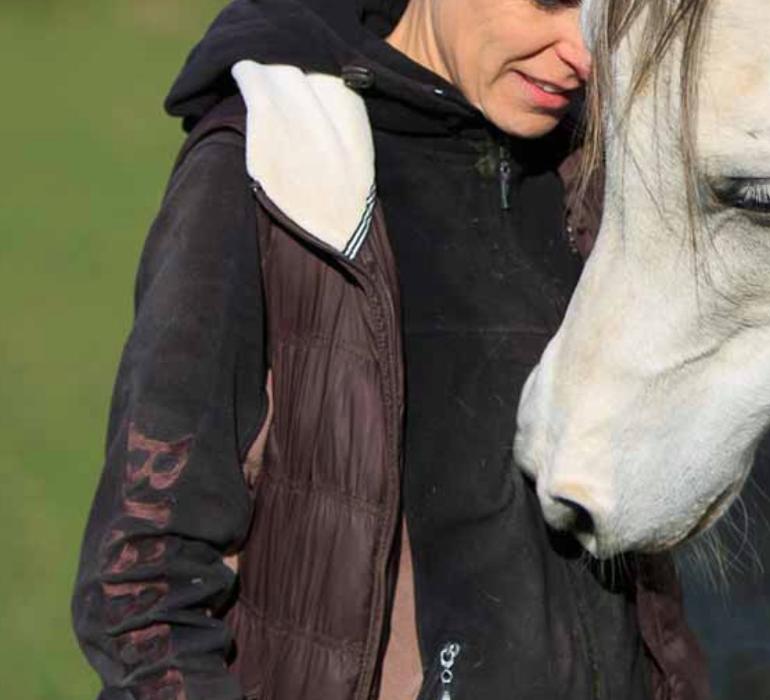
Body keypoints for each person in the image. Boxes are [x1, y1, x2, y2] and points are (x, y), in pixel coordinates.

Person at [69, 0, 708, 698]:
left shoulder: (602, 174)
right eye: (549, 2)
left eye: (605, 14)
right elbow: (144, 578)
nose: (583, 52)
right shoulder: (271, 165)